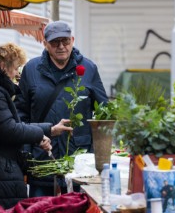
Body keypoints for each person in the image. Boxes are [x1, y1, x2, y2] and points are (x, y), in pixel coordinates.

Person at [0, 42, 73, 209]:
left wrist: (50, 129)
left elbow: (10, 125)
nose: (16, 74)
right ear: (3, 66)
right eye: (15, 68)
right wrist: (39, 135)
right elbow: (8, 129)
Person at [16, 21, 108, 197]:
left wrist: (97, 155)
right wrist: (30, 146)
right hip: (42, 158)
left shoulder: (89, 68)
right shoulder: (31, 69)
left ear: (72, 40)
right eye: (55, 42)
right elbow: (21, 115)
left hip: (79, 163)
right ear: (45, 44)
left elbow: (104, 112)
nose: (61, 47)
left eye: (65, 41)